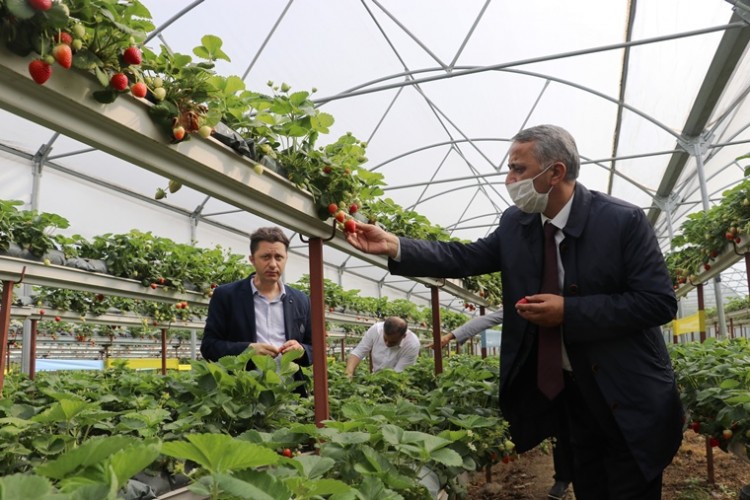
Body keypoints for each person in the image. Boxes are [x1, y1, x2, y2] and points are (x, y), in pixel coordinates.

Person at [345, 124, 683, 499]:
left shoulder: (622, 221)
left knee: (631, 487)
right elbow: (465, 257)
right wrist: (395, 245)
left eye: (518, 169)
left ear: (555, 172)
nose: (509, 179)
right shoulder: (516, 223)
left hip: (628, 391)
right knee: (590, 485)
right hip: (574, 394)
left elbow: (658, 302)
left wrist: (570, 312)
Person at [435, 310, 572, 500]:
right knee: (559, 426)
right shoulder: (529, 300)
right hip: (547, 373)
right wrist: (452, 335)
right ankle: (563, 478)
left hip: (584, 368)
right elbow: (490, 318)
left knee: (583, 424)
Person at [200, 226, 313, 392]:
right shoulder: (226, 296)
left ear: (286, 259)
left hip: (288, 394)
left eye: (279, 257)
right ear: (252, 259)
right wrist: (248, 350)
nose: (273, 264)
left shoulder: (301, 300)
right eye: (266, 257)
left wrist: (301, 350)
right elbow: (209, 347)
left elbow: (314, 348)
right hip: (242, 393)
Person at [345, 316, 420, 379]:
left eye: (392, 342)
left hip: (395, 382)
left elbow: (397, 375)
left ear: (403, 336)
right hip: (376, 378)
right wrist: (349, 373)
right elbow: (358, 352)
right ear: (383, 330)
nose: (387, 344)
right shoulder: (376, 330)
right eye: (385, 339)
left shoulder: (412, 345)